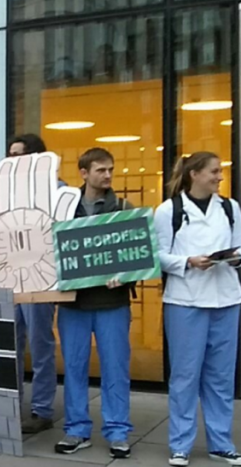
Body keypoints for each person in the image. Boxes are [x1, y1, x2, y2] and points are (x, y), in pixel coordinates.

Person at [156, 151, 241, 467]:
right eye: (215, 171)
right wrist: (188, 262)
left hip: (226, 299)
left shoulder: (231, 208)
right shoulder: (169, 211)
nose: (220, 176)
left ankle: (221, 443)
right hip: (185, 301)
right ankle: (181, 445)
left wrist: (232, 257)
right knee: (185, 376)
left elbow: (238, 244)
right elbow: (158, 255)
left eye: (220, 171)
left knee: (221, 377)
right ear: (195, 174)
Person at [54, 148, 134, 459]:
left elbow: (138, 256)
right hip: (73, 304)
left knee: (116, 368)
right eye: (101, 170)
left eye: (111, 169)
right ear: (84, 173)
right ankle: (76, 430)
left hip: (112, 302)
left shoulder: (125, 208)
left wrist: (125, 275)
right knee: (74, 368)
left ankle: (117, 431)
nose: (108, 175)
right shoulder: (64, 211)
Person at [7, 134, 58, 434]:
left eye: (17, 155)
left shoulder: (55, 190)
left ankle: (42, 409)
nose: (11, 160)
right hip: (10, 278)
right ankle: (11, 403)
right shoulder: (7, 192)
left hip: (40, 277)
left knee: (40, 345)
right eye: (9, 155)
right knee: (9, 343)